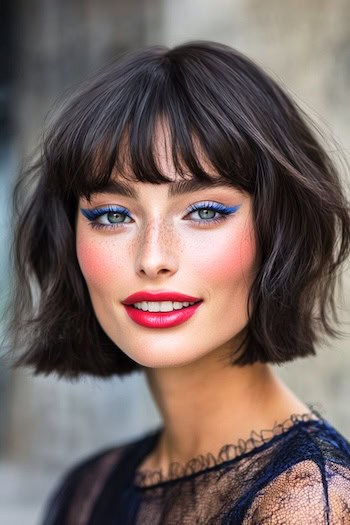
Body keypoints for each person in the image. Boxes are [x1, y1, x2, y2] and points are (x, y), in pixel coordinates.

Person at [6, 40, 350, 524]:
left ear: (280, 231)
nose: (152, 258)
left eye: (205, 211)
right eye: (112, 214)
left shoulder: (309, 503)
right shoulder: (88, 487)